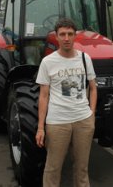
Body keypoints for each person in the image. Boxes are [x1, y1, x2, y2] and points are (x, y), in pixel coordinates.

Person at [35, 18, 97, 187]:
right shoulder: (48, 62)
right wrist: (41, 127)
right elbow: (43, 96)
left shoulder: (85, 59)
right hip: (57, 123)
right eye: (62, 34)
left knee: (82, 169)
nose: (66, 38)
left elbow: (93, 88)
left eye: (70, 34)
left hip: (83, 120)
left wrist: (91, 114)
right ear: (57, 36)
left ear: (75, 35)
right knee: (53, 169)